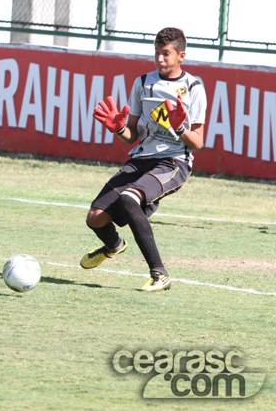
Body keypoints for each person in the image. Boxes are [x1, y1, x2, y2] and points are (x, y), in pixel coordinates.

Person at [81, 27, 207, 292]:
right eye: (156, 53)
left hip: (173, 162)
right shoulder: (142, 83)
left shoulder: (193, 87)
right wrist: (118, 128)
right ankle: (114, 246)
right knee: (95, 218)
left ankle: (159, 274)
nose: (160, 59)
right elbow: (131, 137)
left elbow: (197, 142)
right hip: (142, 159)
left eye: (166, 54)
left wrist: (180, 128)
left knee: (129, 198)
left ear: (181, 56)